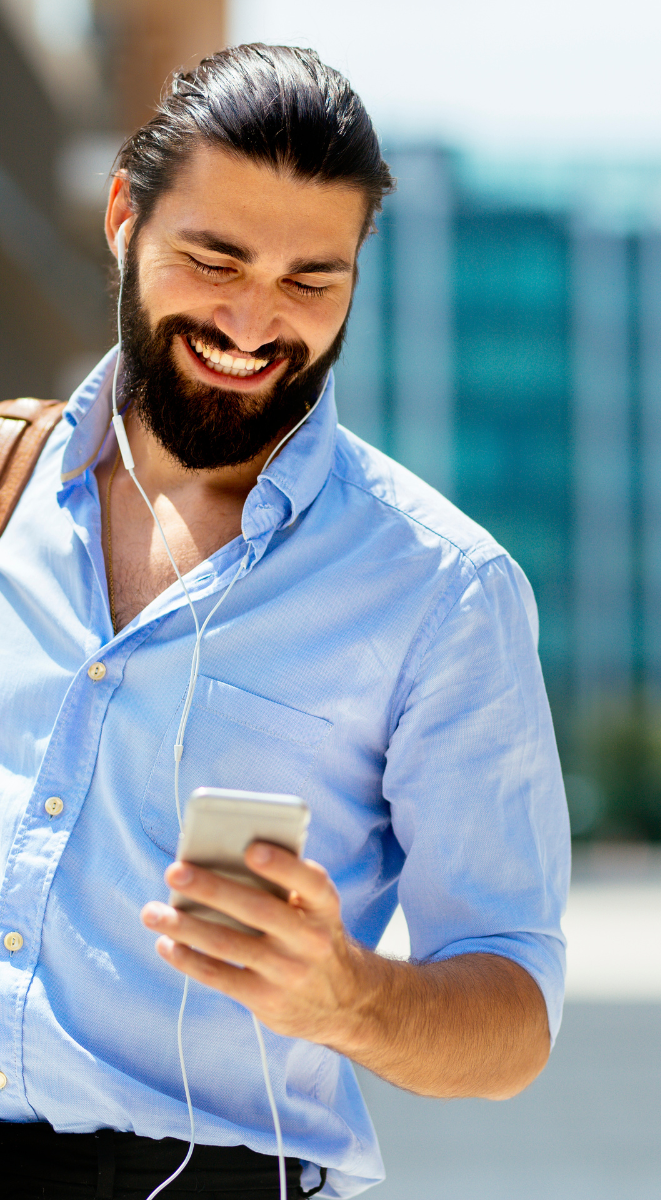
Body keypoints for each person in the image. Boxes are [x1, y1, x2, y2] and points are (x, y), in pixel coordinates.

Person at [0, 44, 570, 1200]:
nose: (254, 323)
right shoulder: (3, 485)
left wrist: (347, 995)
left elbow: (511, 1014)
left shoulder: (442, 592)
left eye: (312, 280)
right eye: (214, 259)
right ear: (123, 215)